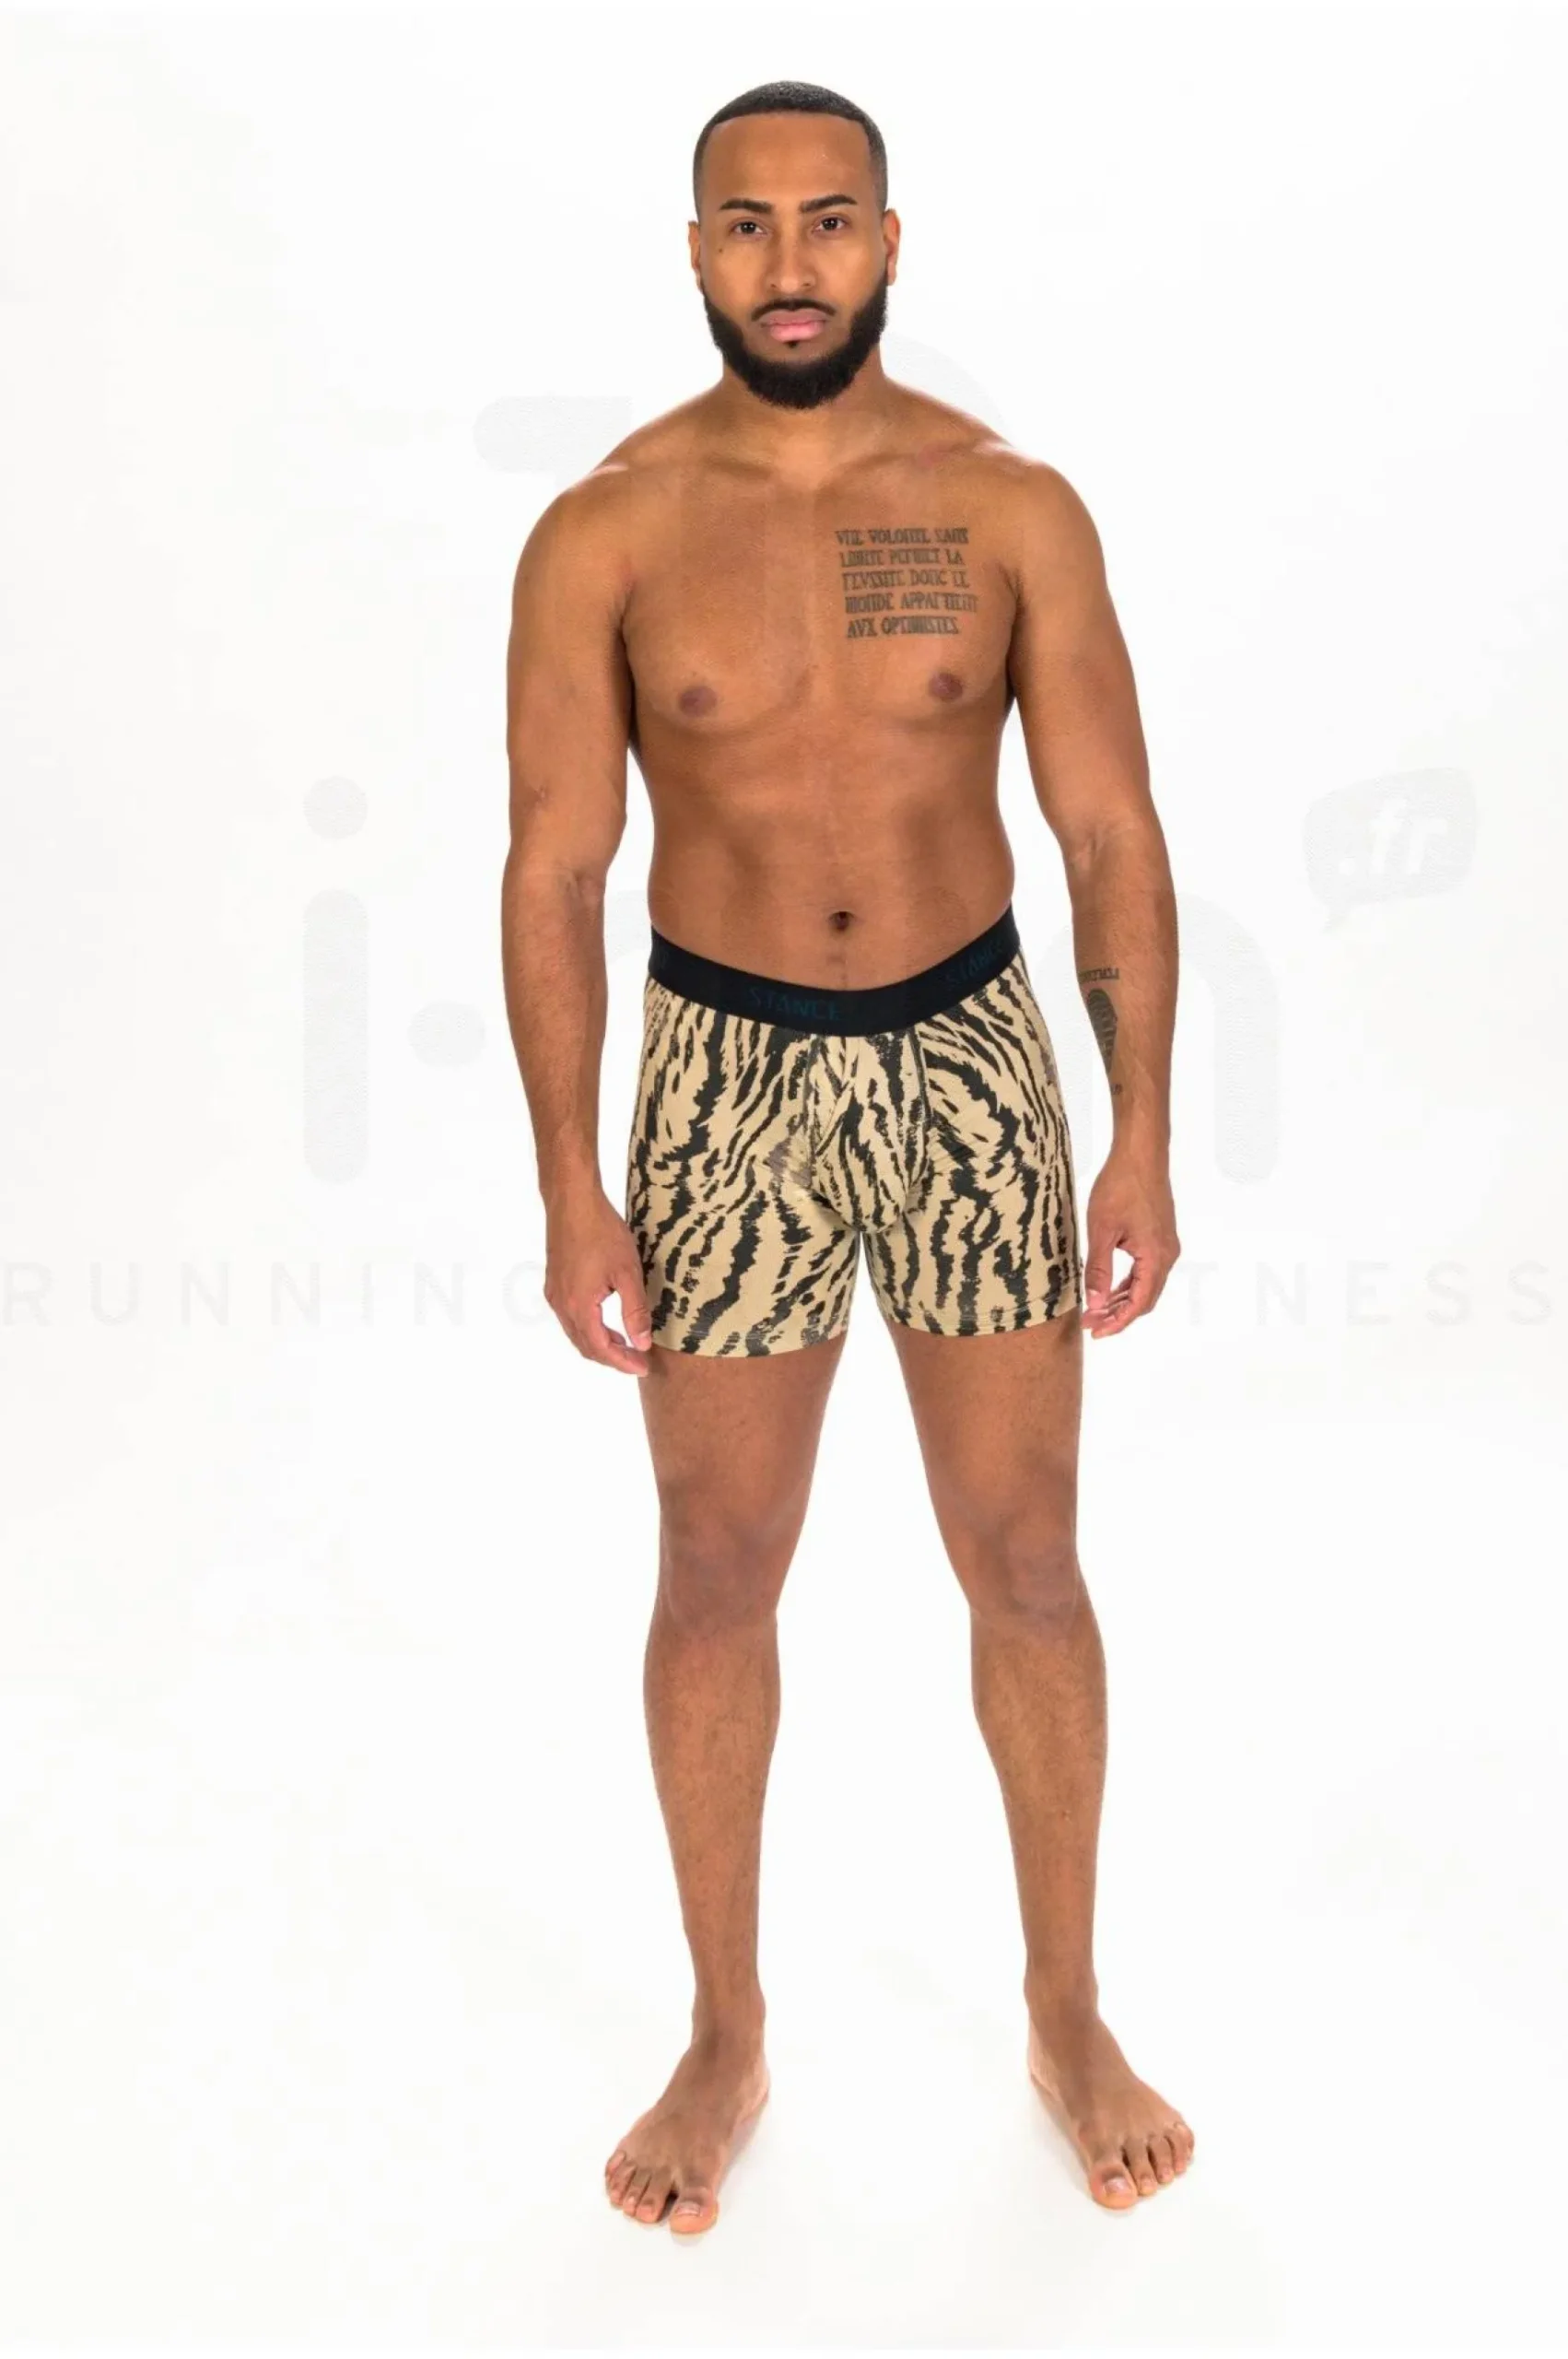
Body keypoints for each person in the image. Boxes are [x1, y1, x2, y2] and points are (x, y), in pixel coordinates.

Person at [501, 78, 1191, 2236]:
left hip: (967, 1059)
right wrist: (569, 1180)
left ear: (888, 241)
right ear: (692, 250)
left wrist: (1141, 1129)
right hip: (721, 1078)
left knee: (1026, 1560)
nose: (786, 265)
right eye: (745, 224)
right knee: (715, 1566)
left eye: (825, 220)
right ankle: (726, 2028)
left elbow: (1106, 831)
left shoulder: (1006, 509)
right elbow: (552, 868)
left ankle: (1062, 2008)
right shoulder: (604, 530)